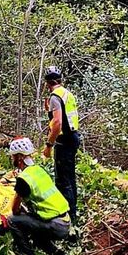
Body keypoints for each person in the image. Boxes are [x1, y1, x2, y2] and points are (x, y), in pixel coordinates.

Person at [6, 136, 70, 255]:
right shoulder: (38, 170)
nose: (12, 158)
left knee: (12, 220)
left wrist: (23, 212)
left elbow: (14, 209)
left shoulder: (23, 178)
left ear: (19, 157)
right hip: (65, 220)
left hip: (56, 225)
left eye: (13, 156)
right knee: (34, 225)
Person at [42, 65, 79, 221]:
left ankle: (67, 217)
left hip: (64, 141)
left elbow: (57, 124)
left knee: (63, 180)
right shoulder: (66, 94)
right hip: (74, 137)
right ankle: (73, 211)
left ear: (47, 83)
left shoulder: (55, 97)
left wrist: (49, 145)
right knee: (70, 177)